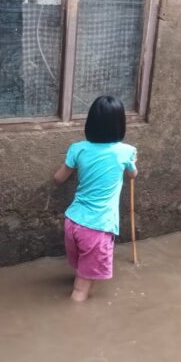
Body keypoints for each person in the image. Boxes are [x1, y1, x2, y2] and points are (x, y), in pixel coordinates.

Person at [54, 96, 137, 301]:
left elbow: (58, 178)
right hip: (97, 228)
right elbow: (133, 175)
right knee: (80, 291)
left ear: (90, 122)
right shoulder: (126, 152)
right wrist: (132, 164)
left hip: (72, 222)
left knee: (81, 270)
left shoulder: (77, 149)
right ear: (120, 125)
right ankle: (74, 326)